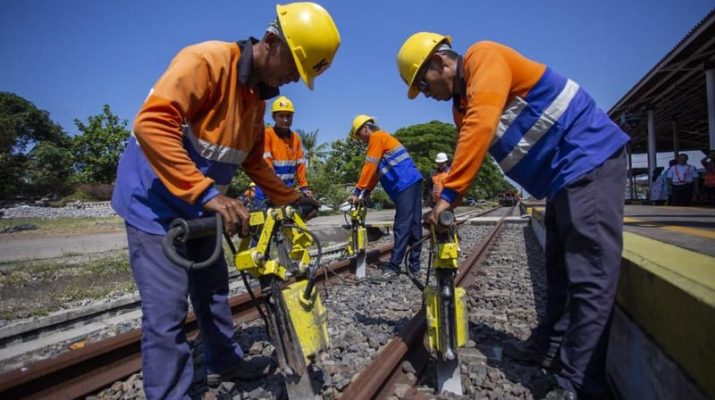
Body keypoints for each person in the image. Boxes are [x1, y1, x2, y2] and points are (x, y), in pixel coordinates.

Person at [110, 3, 340, 399]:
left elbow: (250, 158)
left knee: (213, 291)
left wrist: (291, 197)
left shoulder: (256, 98)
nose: (293, 80)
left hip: (202, 206)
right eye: (294, 68)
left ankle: (225, 361)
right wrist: (207, 193)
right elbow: (151, 124)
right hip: (154, 208)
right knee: (166, 313)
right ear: (271, 42)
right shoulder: (206, 61)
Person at [397, 33, 629, 399]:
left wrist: (451, 196)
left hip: (589, 159)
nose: (427, 94)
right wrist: (447, 200)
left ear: (440, 62)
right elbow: (467, 147)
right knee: (560, 270)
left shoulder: (483, 57)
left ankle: (580, 386)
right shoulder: (460, 105)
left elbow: (482, 127)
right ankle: (549, 348)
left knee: (590, 275)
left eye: (424, 85)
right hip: (561, 180)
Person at [346, 115, 423, 277]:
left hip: (405, 183)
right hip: (413, 181)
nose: (360, 139)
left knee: (402, 225)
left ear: (366, 128)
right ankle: (415, 267)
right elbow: (375, 174)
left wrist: (357, 191)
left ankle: (394, 267)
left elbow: (369, 166)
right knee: (414, 224)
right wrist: (365, 192)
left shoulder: (377, 137)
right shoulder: (382, 140)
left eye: (359, 135)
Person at [254, 96, 312, 208]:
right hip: (266, 190)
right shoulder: (267, 135)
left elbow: (300, 166)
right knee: (265, 223)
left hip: (287, 190)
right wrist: (276, 190)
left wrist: (304, 188)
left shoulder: (296, 138)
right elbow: (267, 165)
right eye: (281, 116)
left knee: (306, 211)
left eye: (288, 116)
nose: (285, 120)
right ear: (274, 117)